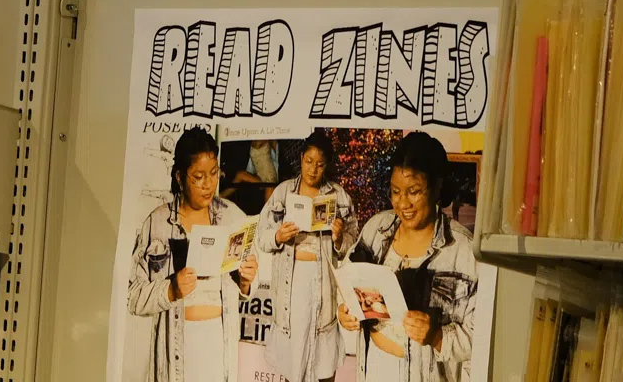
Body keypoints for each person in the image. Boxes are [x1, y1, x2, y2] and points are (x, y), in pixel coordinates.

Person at [337, 133, 479, 382]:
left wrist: (437, 336)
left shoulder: (462, 252)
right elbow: (348, 278)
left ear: (436, 188)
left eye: (414, 191)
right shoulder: (376, 230)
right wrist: (345, 311)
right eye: (395, 191)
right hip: (373, 369)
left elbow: (479, 337)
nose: (403, 203)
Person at [129, 127, 262, 382]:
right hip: (175, 354)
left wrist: (247, 279)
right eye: (198, 176)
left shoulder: (233, 217)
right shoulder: (157, 223)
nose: (208, 184)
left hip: (218, 352)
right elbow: (133, 296)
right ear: (180, 177)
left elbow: (249, 285)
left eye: (213, 174)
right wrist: (171, 290)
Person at [255, 130, 358, 382]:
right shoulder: (282, 192)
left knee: (323, 363)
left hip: (322, 286)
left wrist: (339, 238)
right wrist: (279, 236)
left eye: (320, 164)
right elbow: (261, 235)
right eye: (309, 162)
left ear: (327, 165)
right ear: (301, 158)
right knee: (294, 362)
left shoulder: (339, 196)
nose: (313, 169)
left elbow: (354, 242)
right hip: (290, 287)